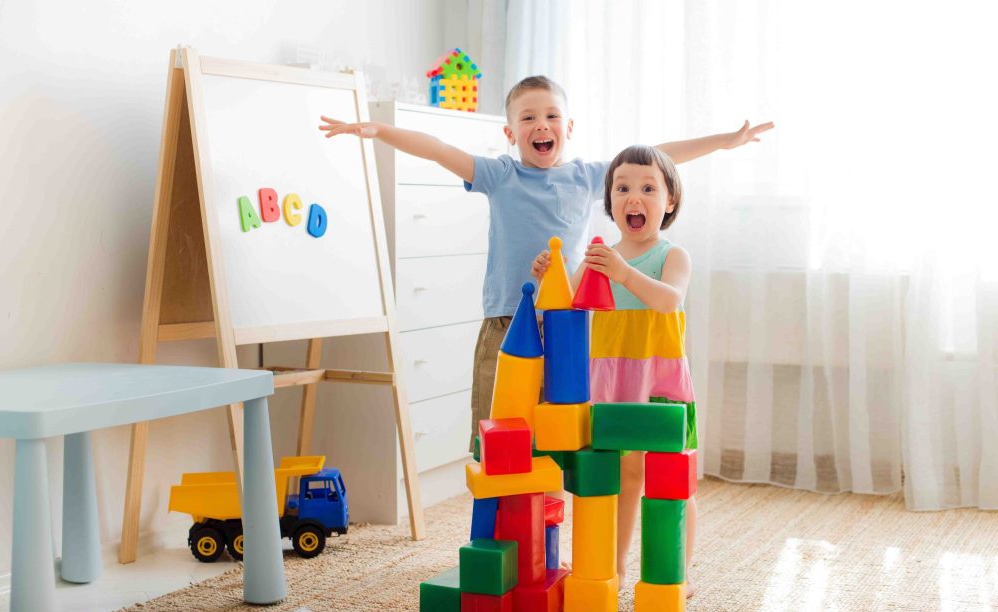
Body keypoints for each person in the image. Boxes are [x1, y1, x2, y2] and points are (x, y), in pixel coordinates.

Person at [320, 75, 771, 454]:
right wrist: (381, 131)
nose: (542, 125)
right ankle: (497, 526)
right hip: (506, 322)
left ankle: (545, 533)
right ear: (511, 133)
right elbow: (438, 149)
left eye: (552, 116)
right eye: (529, 118)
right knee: (497, 432)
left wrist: (725, 141)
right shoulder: (499, 174)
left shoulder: (588, 177)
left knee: (558, 437)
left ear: (568, 126)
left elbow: (658, 153)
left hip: (565, 328)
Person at [532, 144, 697, 594]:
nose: (633, 197)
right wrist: (551, 273)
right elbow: (567, 304)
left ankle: (677, 572)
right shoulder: (599, 258)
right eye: (621, 188)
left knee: (669, 474)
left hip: (656, 378)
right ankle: (617, 566)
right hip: (609, 378)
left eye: (648, 188)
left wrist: (623, 274)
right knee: (622, 474)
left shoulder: (671, 255)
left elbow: (669, 300)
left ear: (670, 201)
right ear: (610, 203)